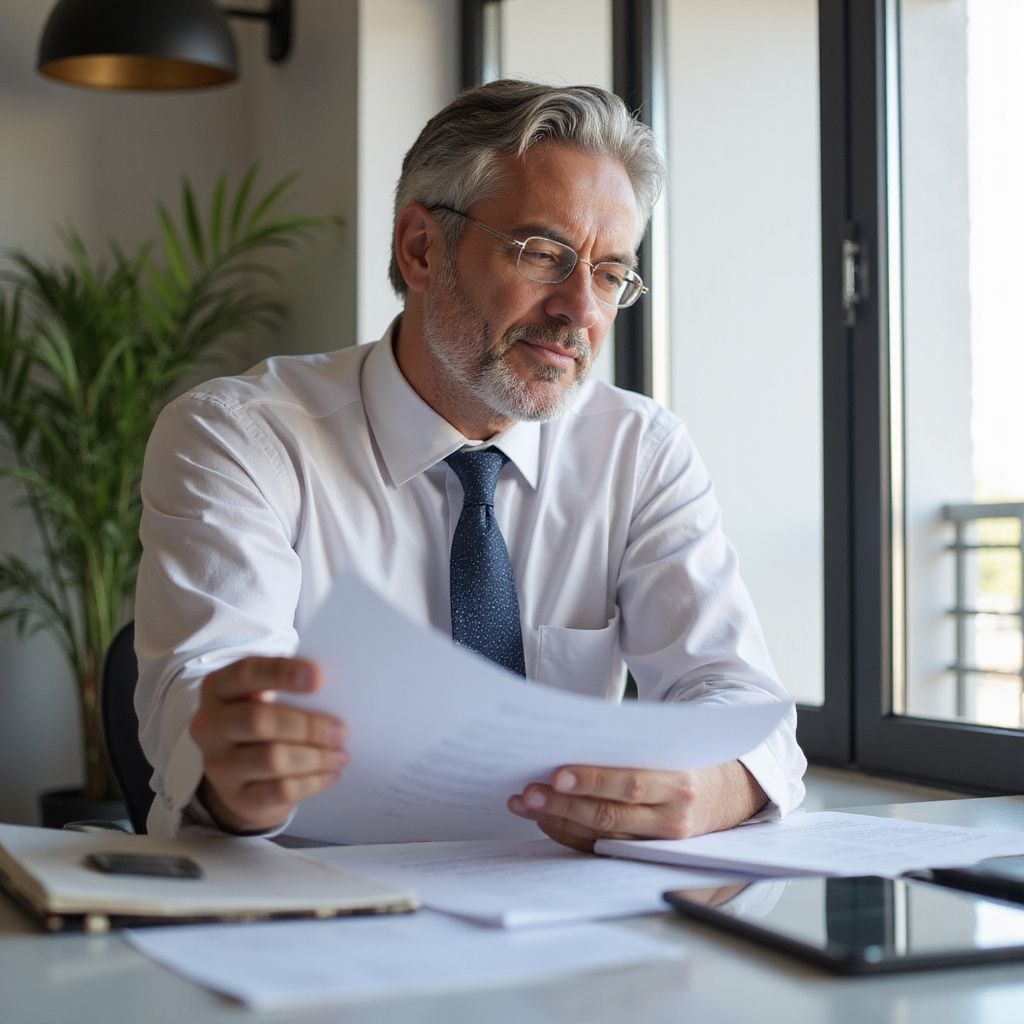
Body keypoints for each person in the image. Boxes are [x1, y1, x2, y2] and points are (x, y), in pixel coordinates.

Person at [135, 80, 806, 845]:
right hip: (301, 911)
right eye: (544, 254)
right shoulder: (241, 438)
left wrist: (713, 786)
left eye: (612, 274)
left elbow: (739, 696)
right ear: (421, 248)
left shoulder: (639, 451)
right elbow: (199, 696)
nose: (581, 310)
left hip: (557, 918)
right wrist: (237, 776)